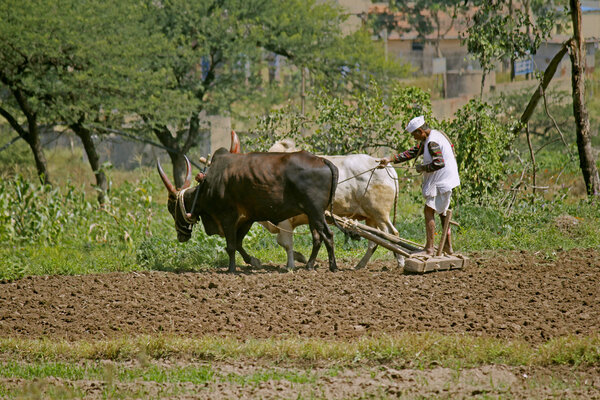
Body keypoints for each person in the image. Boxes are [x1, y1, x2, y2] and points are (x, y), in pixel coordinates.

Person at [379, 115, 460, 255]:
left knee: (428, 211)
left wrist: (422, 168)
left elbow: (439, 163)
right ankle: (448, 247)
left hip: (441, 182)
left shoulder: (432, 142)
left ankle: (429, 249)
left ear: (420, 131)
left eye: (414, 135)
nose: (414, 138)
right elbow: (413, 152)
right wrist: (390, 159)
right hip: (446, 180)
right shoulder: (432, 137)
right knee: (442, 213)